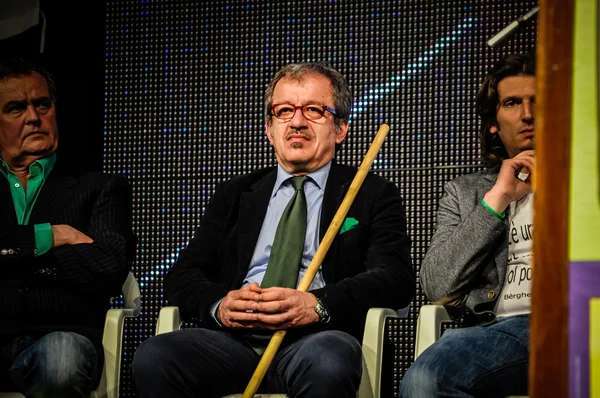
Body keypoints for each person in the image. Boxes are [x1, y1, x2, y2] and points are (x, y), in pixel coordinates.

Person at [132, 62, 414, 398]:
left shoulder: (371, 192)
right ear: (269, 129)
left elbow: (394, 278)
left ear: (340, 129)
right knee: (156, 356)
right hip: (232, 344)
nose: (297, 122)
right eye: (284, 111)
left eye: (314, 110)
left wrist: (317, 305)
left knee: (329, 360)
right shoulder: (235, 194)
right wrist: (220, 305)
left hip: (315, 341)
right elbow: (183, 275)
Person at [400, 52, 535, 397]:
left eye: (539, 101)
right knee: (426, 379)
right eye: (512, 103)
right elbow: (436, 286)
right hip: (493, 330)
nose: (528, 115)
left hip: (574, 326)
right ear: (493, 122)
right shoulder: (465, 193)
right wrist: (499, 198)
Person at [0, 58, 136, 396]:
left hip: (60, 338)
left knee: (61, 357)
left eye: (42, 104)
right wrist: (49, 236)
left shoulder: (99, 187)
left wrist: (14, 256)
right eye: (16, 108)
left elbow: (108, 264)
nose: (34, 117)